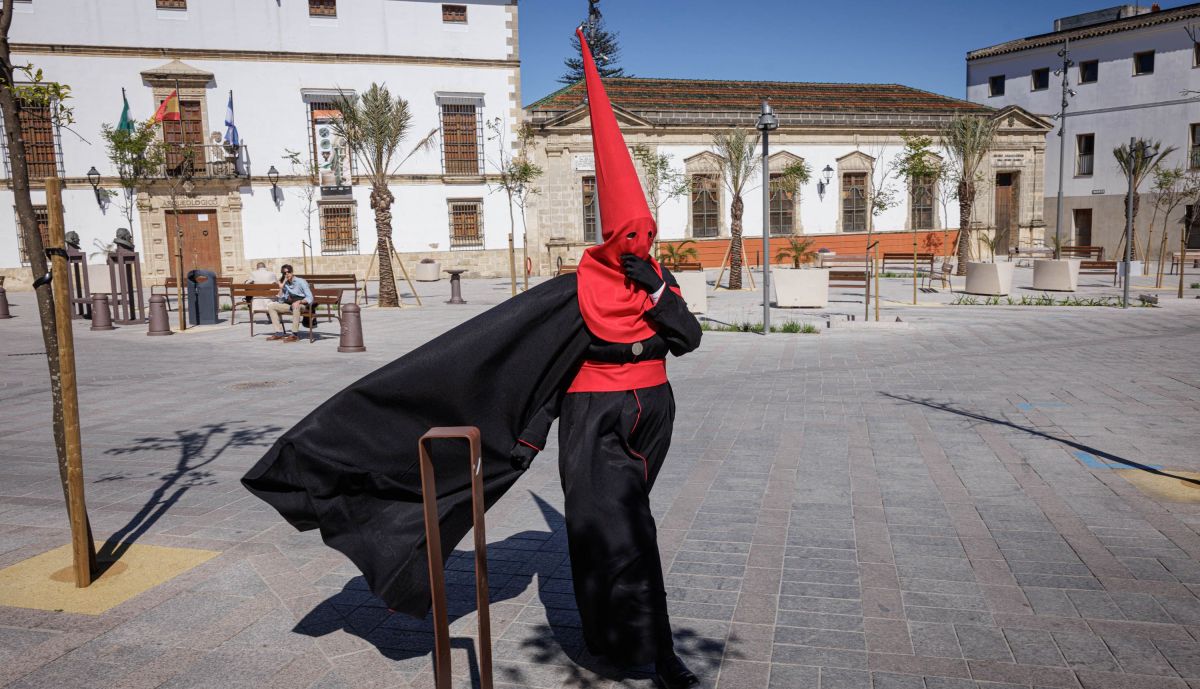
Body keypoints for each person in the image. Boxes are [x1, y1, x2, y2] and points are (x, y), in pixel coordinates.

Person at [241, 30, 701, 689]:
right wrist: (523, 437)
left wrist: (655, 288)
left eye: (646, 234)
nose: (640, 241)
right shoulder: (575, 291)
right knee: (628, 532)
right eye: (630, 235)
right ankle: (657, 656)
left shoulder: (659, 280)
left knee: (614, 534)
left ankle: (618, 637)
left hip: (651, 417)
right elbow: (502, 354)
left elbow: (688, 339)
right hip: (596, 424)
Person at [265, 264, 312, 342]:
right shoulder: (286, 284)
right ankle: (279, 333)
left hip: (303, 305)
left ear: (292, 272)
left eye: (288, 272)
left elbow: (310, 297)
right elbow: (281, 301)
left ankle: (294, 335)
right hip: (291, 304)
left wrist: (299, 301)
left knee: (296, 306)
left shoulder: (301, 281)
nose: (287, 274)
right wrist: (281, 288)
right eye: (284, 273)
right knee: (271, 306)